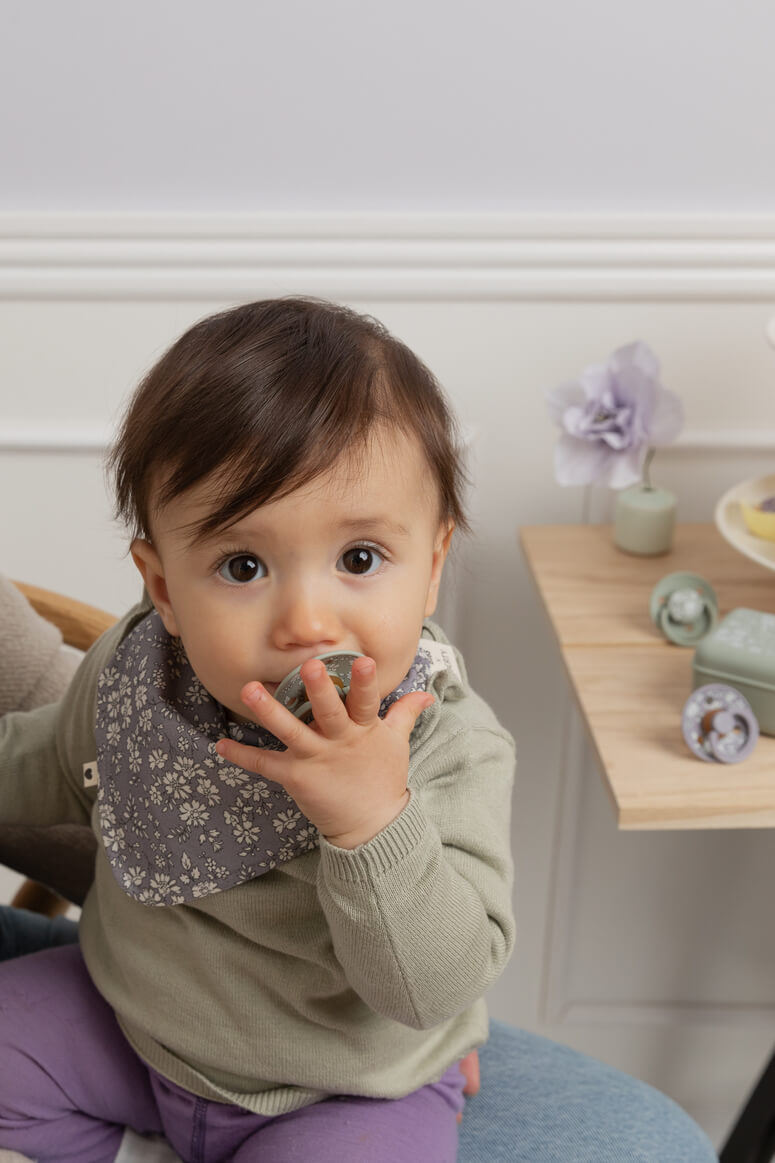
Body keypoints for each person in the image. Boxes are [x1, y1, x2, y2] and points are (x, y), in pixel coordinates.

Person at [0, 298, 717, 1163]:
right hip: (132, 1027)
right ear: (162, 588)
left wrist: (370, 822)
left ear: (431, 568)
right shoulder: (139, 677)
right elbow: (44, 765)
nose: (308, 618)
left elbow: (435, 984)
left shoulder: (446, 743)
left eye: (360, 559)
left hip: (345, 1089)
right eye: (242, 565)